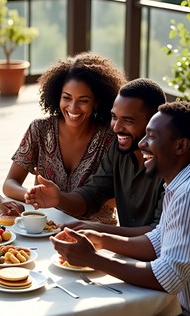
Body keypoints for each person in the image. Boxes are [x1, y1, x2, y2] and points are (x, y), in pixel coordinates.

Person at [51, 101, 190, 316]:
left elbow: (167, 278)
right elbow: (157, 241)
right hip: (181, 312)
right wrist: (101, 239)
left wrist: (92, 259)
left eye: (152, 137)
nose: (142, 143)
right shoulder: (188, 177)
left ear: (181, 146)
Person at [25, 78, 167, 236]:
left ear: (155, 121)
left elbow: (159, 234)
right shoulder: (118, 149)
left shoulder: (171, 165)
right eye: (114, 117)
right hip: (127, 252)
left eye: (128, 120)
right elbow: (91, 195)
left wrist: (97, 230)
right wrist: (59, 198)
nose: (116, 127)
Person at [3, 53, 126, 224]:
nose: (73, 108)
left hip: (94, 230)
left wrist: (70, 198)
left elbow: (122, 198)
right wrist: (31, 194)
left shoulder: (111, 137)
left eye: (83, 100)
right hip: (45, 225)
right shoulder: (40, 129)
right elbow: (10, 183)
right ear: (57, 95)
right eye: (66, 98)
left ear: (97, 102)